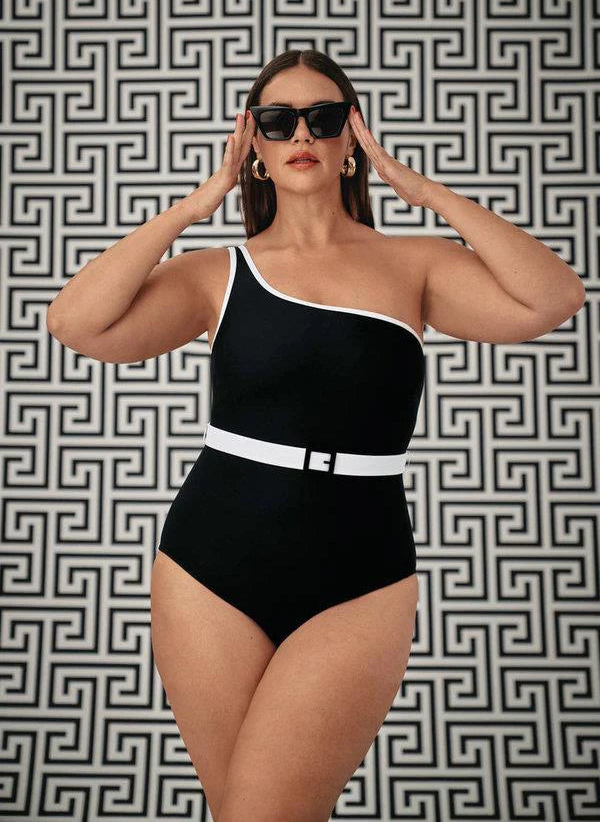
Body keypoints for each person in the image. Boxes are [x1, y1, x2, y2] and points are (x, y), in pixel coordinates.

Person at [46, 49, 585, 822]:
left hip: (360, 575)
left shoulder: (415, 264)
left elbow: (552, 297)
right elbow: (75, 323)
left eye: (324, 118)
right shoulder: (217, 273)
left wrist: (422, 190)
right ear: (254, 146)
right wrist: (195, 205)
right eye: (278, 120)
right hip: (210, 567)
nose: (302, 133)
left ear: (351, 138)